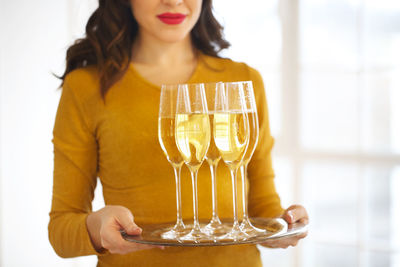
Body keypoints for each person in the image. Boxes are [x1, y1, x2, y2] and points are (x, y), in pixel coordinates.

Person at [48, 0, 309, 266]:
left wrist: (284, 224)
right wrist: (96, 226)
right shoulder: (86, 87)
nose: (173, 1)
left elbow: (262, 208)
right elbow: (61, 231)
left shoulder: (243, 81)